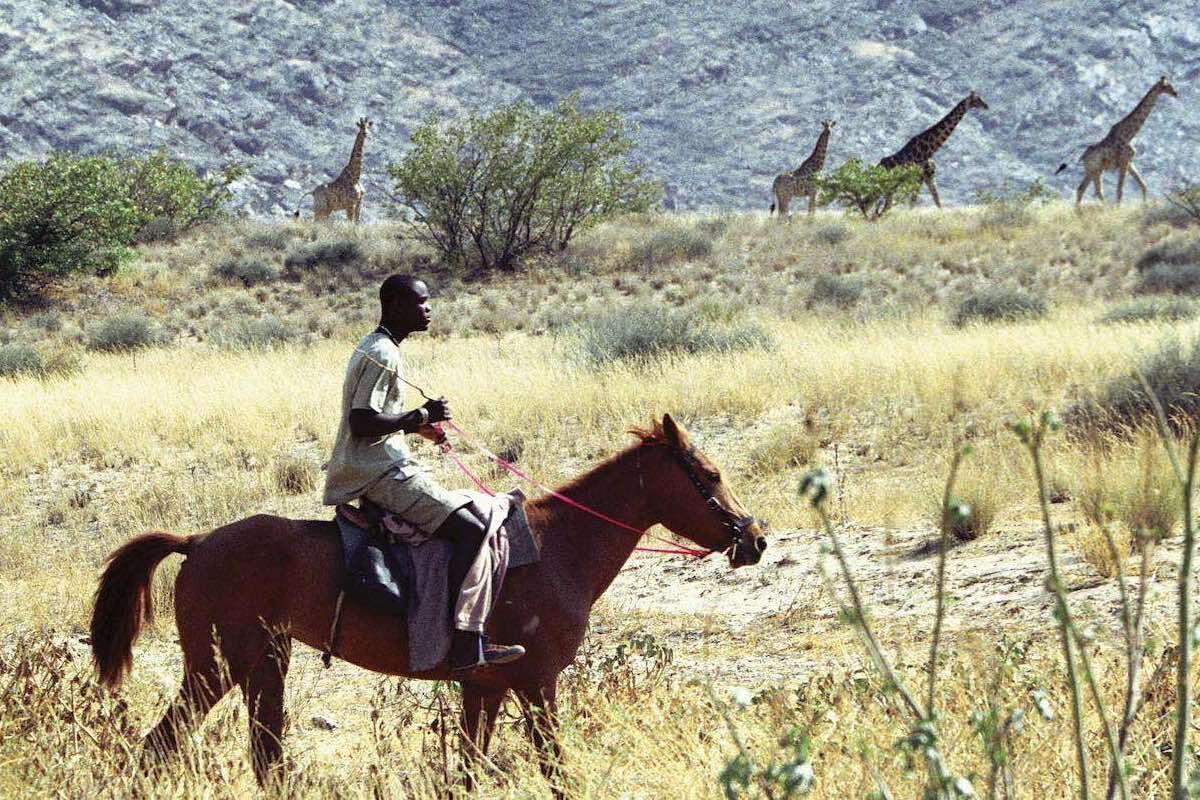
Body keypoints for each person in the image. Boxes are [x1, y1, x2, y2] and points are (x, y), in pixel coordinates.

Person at [323, 274, 525, 674]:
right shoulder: (383, 352)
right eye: (420, 302)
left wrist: (418, 428)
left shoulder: (381, 347)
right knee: (471, 528)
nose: (428, 309)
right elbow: (362, 422)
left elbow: (376, 418)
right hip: (378, 472)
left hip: (382, 464)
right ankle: (466, 640)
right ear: (396, 304)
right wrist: (420, 415)